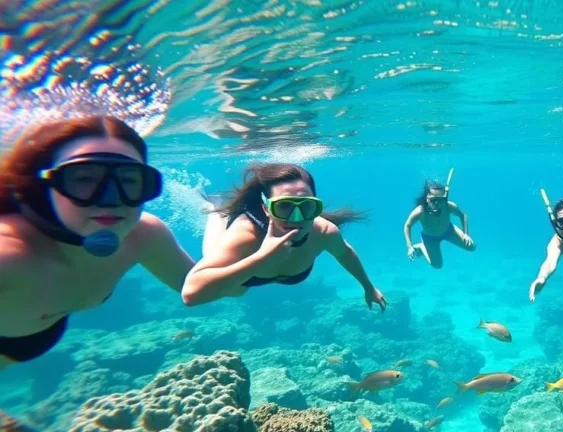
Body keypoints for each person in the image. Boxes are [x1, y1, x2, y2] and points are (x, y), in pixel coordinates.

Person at [0, 115, 195, 370]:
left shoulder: (144, 234)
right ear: (43, 185)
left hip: (35, 332)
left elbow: (211, 285)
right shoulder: (8, 255)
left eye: (128, 181)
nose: (110, 201)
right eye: (83, 179)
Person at [182, 163, 387, 311]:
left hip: (258, 269)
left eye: (306, 206)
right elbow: (191, 295)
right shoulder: (246, 236)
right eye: (284, 206)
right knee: (234, 289)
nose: (296, 218)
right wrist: (261, 258)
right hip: (244, 263)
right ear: (266, 208)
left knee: (237, 290)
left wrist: (368, 287)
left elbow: (345, 254)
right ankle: (216, 209)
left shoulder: (324, 232)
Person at [403, 178, 475, 268]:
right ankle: (422, 247)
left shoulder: (449, 206)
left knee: (471, 247)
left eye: (440, 200)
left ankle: (423, 247)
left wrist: (466, 234)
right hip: (430, 238)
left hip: (449, 230)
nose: (437, 204)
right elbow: (407, 225)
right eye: (433, 200)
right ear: (427, 199)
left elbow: (463, 215)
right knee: (437, 266)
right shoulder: (420, 211)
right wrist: (409, 247)